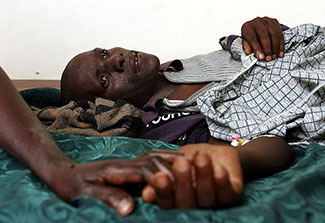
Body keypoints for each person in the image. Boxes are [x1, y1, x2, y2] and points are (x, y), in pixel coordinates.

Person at [0, 17, 295, 217]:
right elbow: (263, 142)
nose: (116, 59)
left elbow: (261, 47)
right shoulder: (167, 124)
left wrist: (261, 29)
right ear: (107, 105)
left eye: (104, 53)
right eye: (104, 80)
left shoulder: (183, 65)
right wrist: (238, 158)